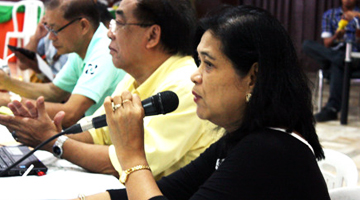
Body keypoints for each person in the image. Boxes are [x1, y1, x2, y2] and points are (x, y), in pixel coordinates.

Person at [85, 5, 331, 200]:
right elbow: (168, 191)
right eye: (198, 62)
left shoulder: (271, 151)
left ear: (253, 77)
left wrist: (132, 157)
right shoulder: (238, 140)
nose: (195, 74)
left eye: (209, 64)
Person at [0, 0, 218, 179]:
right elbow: (96, 134)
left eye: (120, 24)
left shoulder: (185, 87)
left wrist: (55, 142)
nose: (109, 34)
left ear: (152, 36)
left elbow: (127, 164)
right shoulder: (135, 78)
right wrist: (47, 133)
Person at [0, 0, 125, 128]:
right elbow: (54, 92)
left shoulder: (104, 51)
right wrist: (6, 82)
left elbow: (70, 114)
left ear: (83, 26)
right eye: (48, 29)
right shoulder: (81, 48)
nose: (50, 37)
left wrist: (9, 101)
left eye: (54, 30)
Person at [302, 0, 360, 122]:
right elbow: (327, 43)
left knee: (336, 64)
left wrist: (356, 16)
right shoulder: (330, 14)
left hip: (355, 57)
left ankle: (332, 109)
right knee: (307, 45)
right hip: (333, 54)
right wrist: (336, 36)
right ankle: (340, 60)